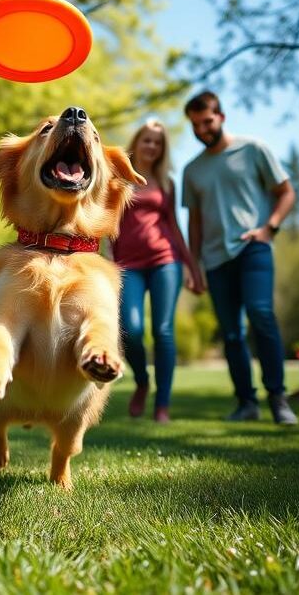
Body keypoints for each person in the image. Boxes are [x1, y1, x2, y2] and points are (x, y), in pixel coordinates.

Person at [181, 90, 299, 425]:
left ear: (221, 117)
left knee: (261, 314)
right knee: (231, 333)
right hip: (216, 260)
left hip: (253, 248)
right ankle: (246, 403)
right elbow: (195, 221)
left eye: (207, 121)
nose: (202, 129)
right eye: (195, 125)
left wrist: (270, 228)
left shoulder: (253, 148)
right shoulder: (193, 171)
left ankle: (278, 399)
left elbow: (286, 191)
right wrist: (194, 265)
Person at [113, 119, 202, 423]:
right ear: (137, 142)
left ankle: (162, 404)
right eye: (147, 140)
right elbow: (106, 225)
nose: (151, 146)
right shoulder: (118, 177)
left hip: (166, 260)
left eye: (157, 142)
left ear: (162, 149)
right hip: (128, 265)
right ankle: (141, 381)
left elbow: (174, 227)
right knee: (132, 329)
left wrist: (193, 268)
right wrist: (104, 260)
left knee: (163, 331)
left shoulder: (167, 183)